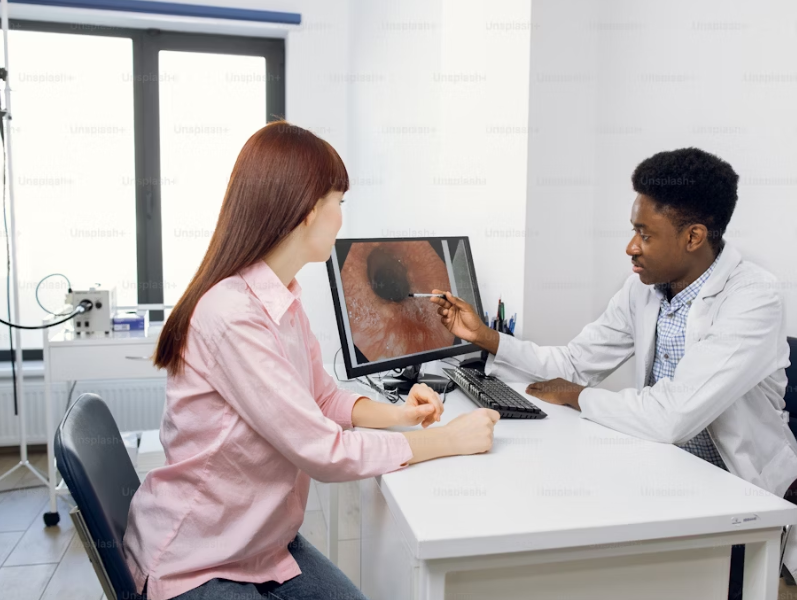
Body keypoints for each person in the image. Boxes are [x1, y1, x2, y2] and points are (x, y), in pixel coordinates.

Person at [123, 121, 500, 600]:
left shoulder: (283, 299)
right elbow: (322, 451)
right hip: (198, 560)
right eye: (338, 203)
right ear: (306, 210)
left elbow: (321, 397)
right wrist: (448, 440)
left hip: (260, 545)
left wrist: (402, 414)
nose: (342, 218)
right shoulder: (231, 314)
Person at [430, 147, 797, 599]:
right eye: (632, 230)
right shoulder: (643, 289)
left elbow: (671, 416)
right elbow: (572, 363)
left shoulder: (753, 299)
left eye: (644, 233)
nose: (631, 246)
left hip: (735, 489)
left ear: (694, 236)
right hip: (662, 465)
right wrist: (486, 336)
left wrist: (577, 396)